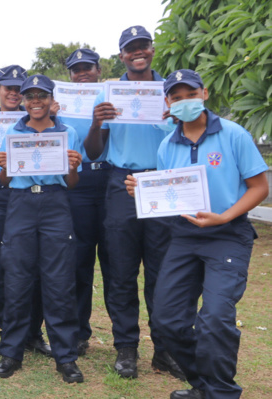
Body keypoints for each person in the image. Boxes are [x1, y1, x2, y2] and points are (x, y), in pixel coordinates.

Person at [125, 69, 268, 399]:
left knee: (215, 318)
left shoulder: (233, 135)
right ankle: (203, 385)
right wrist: (142, 191)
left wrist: (225, 217)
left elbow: (259, 187)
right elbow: (171, 195)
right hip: (185, 236)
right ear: (167, 103)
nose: (184, 101)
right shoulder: (166, 146)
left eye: (190, 94)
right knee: (166, 322)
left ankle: (221, 392)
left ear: (204, 94)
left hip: (228, 235)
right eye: (176, 97)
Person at [84, 25, 184, 380]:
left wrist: (177, 117)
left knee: (162, 272)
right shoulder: (109, 95)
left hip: (161, 181)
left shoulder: (171, 92)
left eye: (143, 46)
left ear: (152, 50)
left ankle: (164, 349)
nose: (137, 52)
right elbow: (94, 151)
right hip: (120, 181)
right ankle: (126, 347)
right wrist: (97, 124)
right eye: (130, 48)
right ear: (122, 54)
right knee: (122, 272)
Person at [0, 74, 84, 384]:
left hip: (56, 205)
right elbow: (3, 181)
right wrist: (3, 167)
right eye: (30, 96)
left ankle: (65, 356)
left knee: (58, 281)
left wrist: (72, 166)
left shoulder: (68, 132)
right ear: (25, 101)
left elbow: (72, 183)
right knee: (16, 278)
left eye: (41, 95)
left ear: (50, 98)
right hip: (20, 204)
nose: (35, 101)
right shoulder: (11, 132)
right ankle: (11, 352)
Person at [0, 65, 51, 357]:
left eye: (19, 88)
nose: (14, 93)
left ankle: (34, 333)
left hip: (31, 195)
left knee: (36, 267)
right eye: (8, 87)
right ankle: (8, 332)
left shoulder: (43, 120)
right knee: (1, 269)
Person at [58, 49, 111, 356]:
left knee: (115, 261)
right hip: (76, 183)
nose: (82, 73)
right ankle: (79, 331)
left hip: (109, 177)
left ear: (98, 69)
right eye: (76, 69)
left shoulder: (110, 96)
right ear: (70, 75)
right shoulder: (60, 103)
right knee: (78, 262)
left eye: (87, 68)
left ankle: (124, 339)